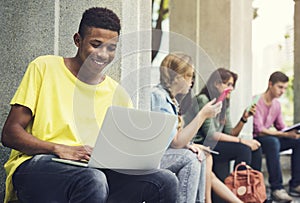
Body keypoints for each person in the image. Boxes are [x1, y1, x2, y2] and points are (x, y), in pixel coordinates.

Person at [1, 7, 178, 203]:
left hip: (93, 171)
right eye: (96, 44)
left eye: (111, 48)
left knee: (165, 180)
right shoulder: (44, 68)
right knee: (93, 179)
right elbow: (10, 133)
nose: (103, 54)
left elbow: (121, 153)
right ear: (78, 40)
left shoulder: (117, 93)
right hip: (37, 165)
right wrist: (59, 148)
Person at [151, 53, 243, 203]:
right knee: (191, 158)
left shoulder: (170, 99)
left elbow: (173, 137)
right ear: (178, 77)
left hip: (165, 153)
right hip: (154, 158)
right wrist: (203, 115)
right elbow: (174, 143)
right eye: (190, 76)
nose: (192, 82)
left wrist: (190, 144)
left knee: (201, 154)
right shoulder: (159, 96)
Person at [185, 68, 262, 181]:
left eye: (232, 85)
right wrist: (243, 141)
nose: (231, 88)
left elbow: (230, 134)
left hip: (215, 143)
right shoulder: (203, 99)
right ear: (216, 84)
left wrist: (244, 119)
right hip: (199, 142)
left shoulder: (224, 104)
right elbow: (210, 134)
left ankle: (254, 190)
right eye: (228, 84)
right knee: (243, 149)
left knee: (256, 147)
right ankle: (241, 191)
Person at [253, 71, 300, 202]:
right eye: (280, 87)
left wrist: (292, 133)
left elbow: (281, 127)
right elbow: (259, 130)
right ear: (270, 84)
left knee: (298, 141)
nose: (282, 91)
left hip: (270, 140)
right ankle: (277, 188)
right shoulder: (256, 101)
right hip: (256, 140)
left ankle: (296, 184)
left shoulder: (277, 105)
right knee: (272, 142)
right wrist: (284, 134)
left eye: (285, 88)